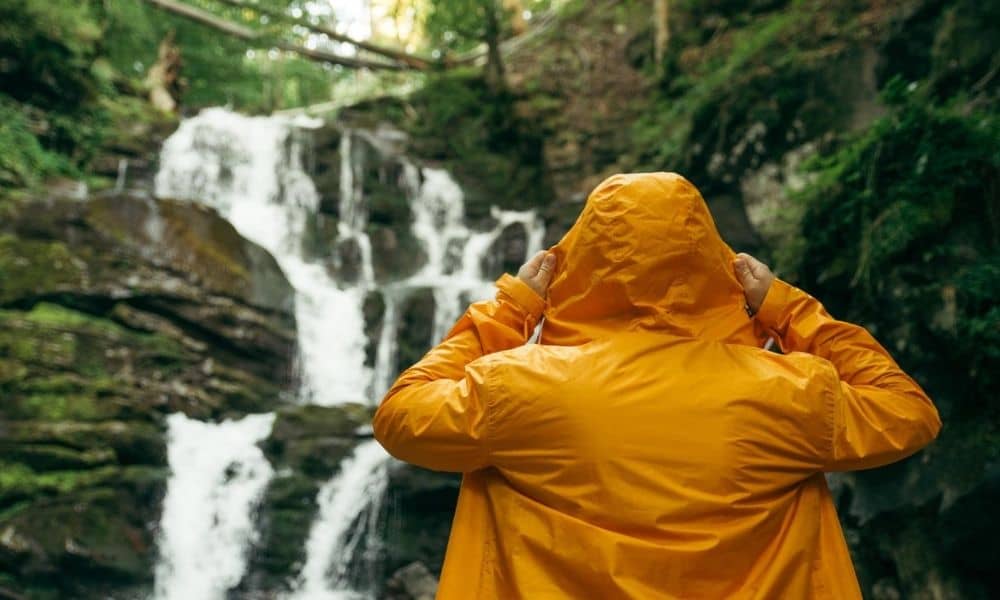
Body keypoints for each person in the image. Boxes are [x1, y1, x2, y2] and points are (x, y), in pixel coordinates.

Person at [373, 172, 941, 598]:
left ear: (576, 264)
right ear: (715, 264)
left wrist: (510, 309)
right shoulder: (788, 390)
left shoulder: (515, 388)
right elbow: (908, 413)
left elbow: (400, 416)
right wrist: (787, 311)